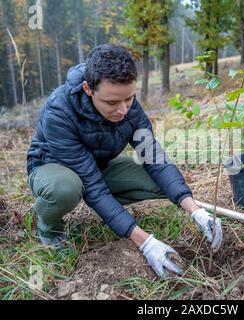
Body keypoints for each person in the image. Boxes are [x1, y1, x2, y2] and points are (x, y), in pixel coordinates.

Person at [26, 44, 222, 279]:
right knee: (66, 189)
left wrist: (196, 211)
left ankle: (107, 207)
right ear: (88, 89)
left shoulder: (128, 107)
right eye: (111, 103)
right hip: (53, 167)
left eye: (129, 99)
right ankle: (50, 229)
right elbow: (93, 185)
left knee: (163, 184)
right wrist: (145, 242)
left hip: (98, 165)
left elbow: (154, 157)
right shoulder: (60, 111)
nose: (122, 111)